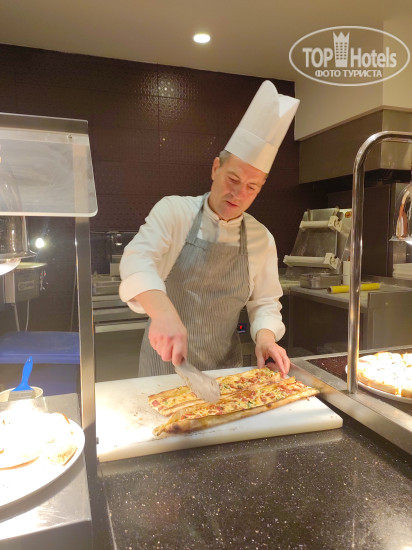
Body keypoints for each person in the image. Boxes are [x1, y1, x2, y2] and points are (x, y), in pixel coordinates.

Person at [119, 80, 300, 378]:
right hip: (162, 370)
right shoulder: (174, 211)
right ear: (216, 168)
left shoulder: (261, 238)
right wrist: (163, 313)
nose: (238, 194)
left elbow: (265, 301)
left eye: (252, 187)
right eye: (233, 179)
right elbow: (137, 260)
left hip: (225, 374)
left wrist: (266, 338)